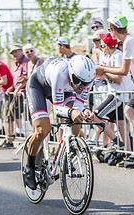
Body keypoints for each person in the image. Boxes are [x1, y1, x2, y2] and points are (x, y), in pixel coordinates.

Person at [25, 55, 95, 189]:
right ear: (72, 74)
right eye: (79, 83)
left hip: (65, 89)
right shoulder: (60, 72)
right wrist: (71, 112)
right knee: (43, 129)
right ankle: (29, 168)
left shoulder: (86, 80)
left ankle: (66, 156)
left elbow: (78, 106)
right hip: (38, 87)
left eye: (85, 84)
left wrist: (83, 112)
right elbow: (57, 109)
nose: (82, 87)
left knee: (76, 120)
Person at [96, 15, 134, 162]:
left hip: (125, 92)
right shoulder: (130, 40)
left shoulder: (128, 42)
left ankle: (126, 149)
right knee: (125, 117)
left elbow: (123, 72)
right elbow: (122, 69)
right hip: (131, 89)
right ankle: (130, 153)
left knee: (128, 112)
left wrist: (102, 69)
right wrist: (103, 69)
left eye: (109, 29)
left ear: (113, 30)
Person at [9, 43, 29, 137]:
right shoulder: (17, 63)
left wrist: (18, 88)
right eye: (13, 52)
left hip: (24, 92)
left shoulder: (25, 61)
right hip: (18, 92)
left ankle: (35, 134)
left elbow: (26, 77)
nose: (14, 54)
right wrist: (12, 88)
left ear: (21, 51)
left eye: (16, 51)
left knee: (28, 114)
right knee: (14, 109)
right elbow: (17, 78)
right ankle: (19, 131)